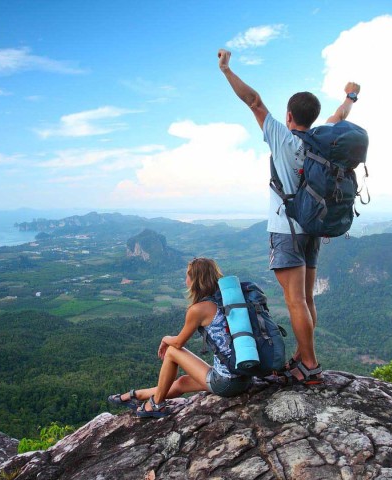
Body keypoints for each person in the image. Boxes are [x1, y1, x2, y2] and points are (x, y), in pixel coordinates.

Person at [217, 48, 360, 386]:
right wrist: (351, 96)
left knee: (294, 300)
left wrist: (226, 70)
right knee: (307, 299)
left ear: (289, 114)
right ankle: (302, 354)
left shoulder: (282, 137)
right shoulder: (320, 141)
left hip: (287, 231)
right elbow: (339, 116)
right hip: (313, 228)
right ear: (313, 116)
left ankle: (309, 365)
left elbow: (253, 100)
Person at [108, 257, 252, 417]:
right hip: (245, 377)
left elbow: (178, 343)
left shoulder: (199, 309)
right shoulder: (229, 300)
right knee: (182, 382)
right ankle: (136, 395)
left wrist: (165, 338)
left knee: (171, 351)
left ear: (195, 280)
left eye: (187, 276)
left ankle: (155, 405)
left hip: (227, 382)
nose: (186, 280)